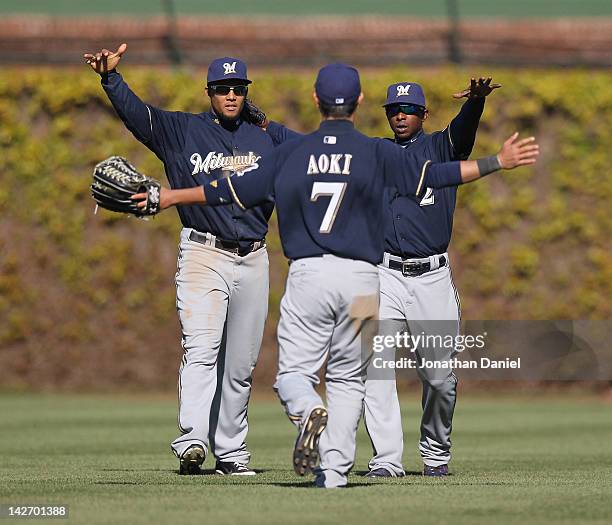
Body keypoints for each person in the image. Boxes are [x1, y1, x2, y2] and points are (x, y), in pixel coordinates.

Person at [134, 64, 538, 488]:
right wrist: (498, 162)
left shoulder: (294, 152)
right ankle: (342, 469)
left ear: (315, 100)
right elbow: (436, 174)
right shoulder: (375, 153)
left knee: (295, 376)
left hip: (310, 277)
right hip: (367, 281)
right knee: (353, 377)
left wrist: (170, 197)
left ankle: (310, 413)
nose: (399, 116)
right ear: (362, 102)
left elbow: (230, 190)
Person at [83, 43, 282, 476]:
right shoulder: (183, 131)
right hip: (202, 253)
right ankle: (193, 439)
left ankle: (230, 453)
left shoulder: (265, 136)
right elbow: (139, 116)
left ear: (247, 92)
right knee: (202, 348)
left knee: (242, 365)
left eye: (238, 88)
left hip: (253, 257)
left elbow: (305, 158)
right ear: (209, 91)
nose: (231, 95)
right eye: (222, 88)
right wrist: (111, 79)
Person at [363, 78, 501, 478]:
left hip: (432, 277)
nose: (400, 115)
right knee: (375, 367)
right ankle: (386, 459)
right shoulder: (377, 152)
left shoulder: (442, 147)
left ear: (423, 114)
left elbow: (465, 130)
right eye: (393, 110)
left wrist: (475, 102)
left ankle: (435, 452)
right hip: (383, 274)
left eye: (407, 109)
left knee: (439, 377)